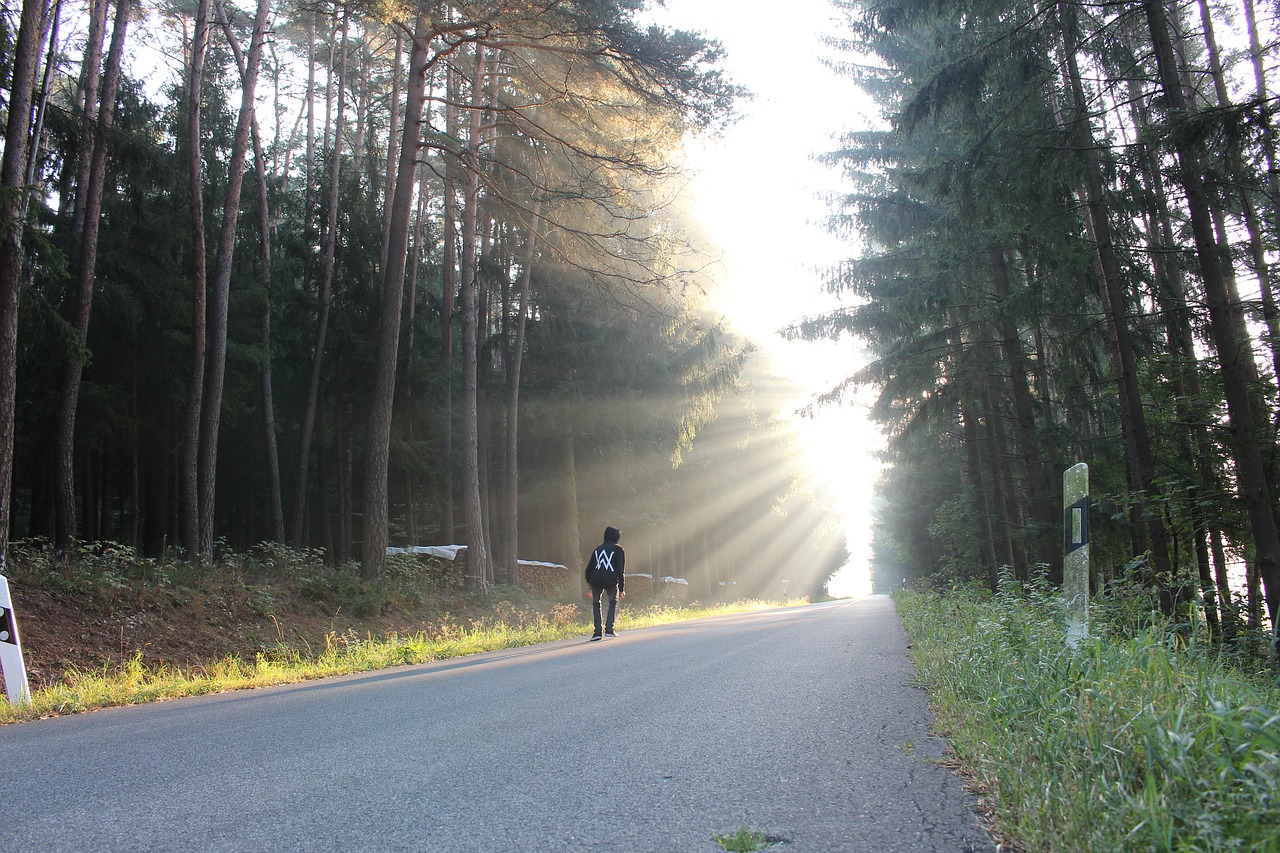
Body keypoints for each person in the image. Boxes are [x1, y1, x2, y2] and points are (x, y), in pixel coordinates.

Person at [585, 526, 625, 640]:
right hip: (611, 581)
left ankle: (597, 633)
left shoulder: (597, 550)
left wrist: (590, 585)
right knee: (613, 602)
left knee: (596, 604)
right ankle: (609, 629)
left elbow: (589, 570)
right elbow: (620, 570)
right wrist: (622, 589)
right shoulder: (618, 549)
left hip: (596, 581)